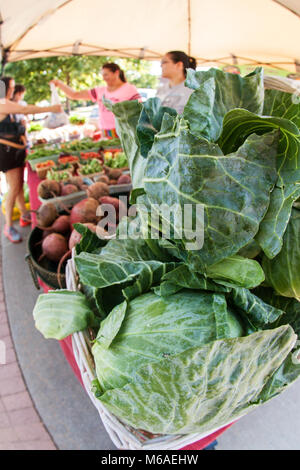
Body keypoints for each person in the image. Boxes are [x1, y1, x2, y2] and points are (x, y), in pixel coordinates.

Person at [0, 76, 62, 243]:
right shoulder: (2, 103)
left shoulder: (6, 102)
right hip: (8, 153)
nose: (13, 90)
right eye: (11, 87)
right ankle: (8, 226)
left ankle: (24, 215)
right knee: (13, 189)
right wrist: (52, 108)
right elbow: (26, 110)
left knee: (18, 186)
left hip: (15, 152)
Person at [50, 63, 141, 138]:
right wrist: (59, 84)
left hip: (125, 131)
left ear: (116, 73)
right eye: (103, 75)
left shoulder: (129, 89)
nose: (104, 78)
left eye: (106, 74)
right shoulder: (100, 91)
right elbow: (74, 95)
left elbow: (140, 111)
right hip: (106, 131)